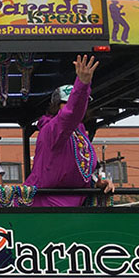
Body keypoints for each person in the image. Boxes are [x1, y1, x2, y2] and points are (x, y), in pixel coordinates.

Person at [25, 55, 114, 206]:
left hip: (75, 205)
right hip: (47, 207)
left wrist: (97, 184)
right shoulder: (52, 129)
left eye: (79, 103)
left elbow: (79, 172)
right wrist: (83, 84)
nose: (71, 107)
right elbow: (70, 114)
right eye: (65, 103)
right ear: (55, 106)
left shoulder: (79, 133)